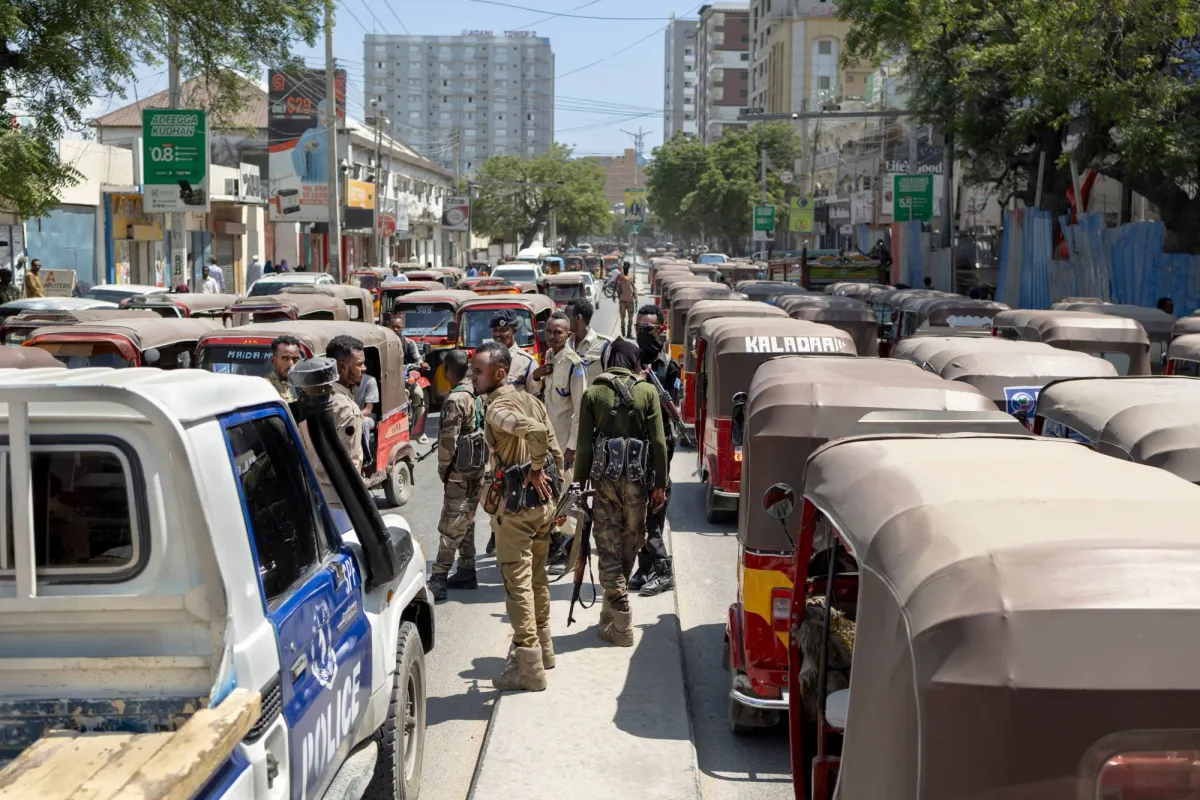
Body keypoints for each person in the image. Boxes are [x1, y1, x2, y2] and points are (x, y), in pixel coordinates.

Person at [475, 340, 563, 691]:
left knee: (517, 583)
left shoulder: (498, 409)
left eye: (478, 371)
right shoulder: (533, 401)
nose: (473, 377)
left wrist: (535, 469)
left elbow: (538, 435)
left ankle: (528, 666)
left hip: (516, 510)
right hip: (542, 506)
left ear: (499, 373)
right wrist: (556, 498)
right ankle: (545, 650)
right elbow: (556, 449)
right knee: (538, 578)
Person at [571, 338, 668, 646]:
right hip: (639, 481)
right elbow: (659, 443)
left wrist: (579, 482)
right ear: (634, 362)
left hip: (605, 481)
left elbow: (584, 446)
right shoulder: (647, 391)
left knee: (607, 542)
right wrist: (660, 484)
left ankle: (620, 616)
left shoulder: (594, 393)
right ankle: (614, 611)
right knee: (632, 539)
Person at [629, 304, 680, 596]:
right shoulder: (631, 360)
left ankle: (662, 569)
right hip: (634, 446)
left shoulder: (668, 367)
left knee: (654, 508)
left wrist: (647, 382)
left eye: (647, 329)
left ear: (660, 330)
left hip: (659, 446)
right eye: (638, 329)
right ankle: (645, 566)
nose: (642, 334)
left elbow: (673, 410)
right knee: (636, 509)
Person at [429, 349, 488, 602]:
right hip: (477, 468)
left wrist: (444, 469)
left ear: (446, 370)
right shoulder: (477, 392)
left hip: (460, 472)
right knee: (467, 518)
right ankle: (466, 570)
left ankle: (439, 578)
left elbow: (447, 442)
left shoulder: (455, 399)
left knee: (451, 524)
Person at [540, 312, 587, 576]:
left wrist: (572, 447)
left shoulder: (574, 364)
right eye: (549, 331)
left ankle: (570, 552)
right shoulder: (548, 358)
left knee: (568, 499)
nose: (552, 336)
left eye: (558, 332)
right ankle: (556, 545)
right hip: (547, 445)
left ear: (568, 334)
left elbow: (580, 409)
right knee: (551, 497)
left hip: (565, 447)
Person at [297, 335, 365, 509]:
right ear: (342, 367)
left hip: (311, 493)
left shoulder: (311, 398)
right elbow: (350, 466)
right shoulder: (348, 409)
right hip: (339, 500)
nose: (364, 368)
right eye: (359, 364)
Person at [388, 312, 430, 444]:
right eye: (393, 327)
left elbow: (417, 359)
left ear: (402, 328)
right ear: (389, 327)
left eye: (398, 327)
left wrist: (421, 363)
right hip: (387, 378)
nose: (395, 329)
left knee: (419, 394)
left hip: (404, 376)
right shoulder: (384, 343)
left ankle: (418, 432)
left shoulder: (409, 343)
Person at [489, 310, 540, 395]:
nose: (498, 334)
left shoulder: (528, 362)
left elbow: (534, 395)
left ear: (514, 330)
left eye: (503, 330)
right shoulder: (487, 358)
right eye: (495, 330)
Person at [565, 298, 612, 386]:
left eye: (567, 317)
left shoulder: (604, 346)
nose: (564, 321)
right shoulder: (565, 344)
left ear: (578, 318)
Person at [267, 335, 303, 400]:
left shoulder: (303, 386)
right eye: (285, 358)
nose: (291, 364)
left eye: (295, 359)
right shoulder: (266, 387)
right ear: (273, 360)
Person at [616, 262, 637, 338]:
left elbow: (633, 285)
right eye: (625, 266)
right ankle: (623, 332)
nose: (625, 268)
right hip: (623, 300)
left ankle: (628, 333)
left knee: (630, 318)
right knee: (623, 317)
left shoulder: (630, 275)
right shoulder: (620, 275)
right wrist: (616, 292)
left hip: (630, 300)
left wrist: (635, 295)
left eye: (626, 267)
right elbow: (615, 283)